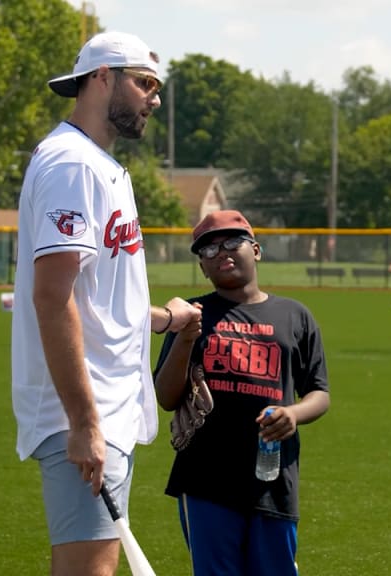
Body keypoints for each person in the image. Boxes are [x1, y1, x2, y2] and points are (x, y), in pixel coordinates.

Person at [10, 31, 202, 576]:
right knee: (87, 568)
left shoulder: (100, 165)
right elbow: (53, 297)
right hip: (84, 409)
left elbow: (100, 298)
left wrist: (167, 319)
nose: (155, 98)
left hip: (106, 408)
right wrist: (84, 422)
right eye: (145, 83)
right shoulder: (73, 165)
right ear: (101, 78)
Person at [153, 210, 332, 576]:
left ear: (257, 250)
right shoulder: (192, 314)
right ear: (202, 267)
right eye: (209, 249)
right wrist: (187, 337)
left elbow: (319, 392)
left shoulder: (294, 316)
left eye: (233, 241)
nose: (222, 252)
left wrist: (293, 414)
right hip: (205, 478)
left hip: (272, 476)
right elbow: (166, 397)